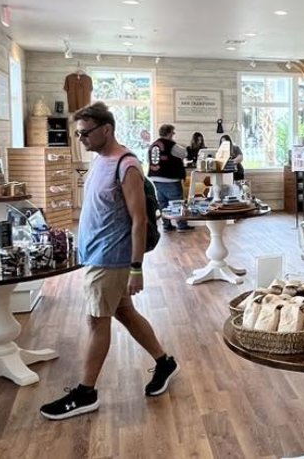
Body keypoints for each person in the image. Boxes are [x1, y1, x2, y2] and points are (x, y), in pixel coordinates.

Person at [40, 102, 179, 421]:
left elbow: (139, 220)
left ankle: (86, 392)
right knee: (125, 312)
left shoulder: (126, 165)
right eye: (78, 133)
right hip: (95, 255)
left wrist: (136, 268)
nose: (81, 139)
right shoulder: (99, 160)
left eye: (86, 133)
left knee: (95, 321)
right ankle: (164, 361)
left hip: (111, 258)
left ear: (107, 129)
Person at [148, 124, 191, 232]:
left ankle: (166, 225)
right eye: (173, 131)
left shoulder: (153, 145)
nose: (174, 133)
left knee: (163, 203)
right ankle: (181, 225)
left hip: (155, 177)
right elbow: (184, 153)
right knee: (176, 202)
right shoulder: (171, 145)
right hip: (170, 178)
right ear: (169, 133)